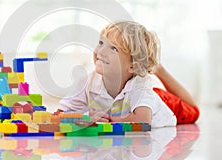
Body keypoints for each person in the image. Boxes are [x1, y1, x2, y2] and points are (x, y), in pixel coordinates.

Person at [57, 21, 199, 127]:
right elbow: (59, 114)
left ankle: (160, 70)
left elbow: (143, 121)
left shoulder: (142, 89)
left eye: (113, 48)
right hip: (129, 99)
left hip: (159, 101)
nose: (100, 51)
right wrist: (86, 118)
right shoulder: (87, 82)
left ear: (133, 65)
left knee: (193, 111)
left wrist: (108, 119)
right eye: (101, 43)